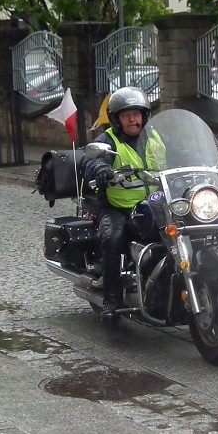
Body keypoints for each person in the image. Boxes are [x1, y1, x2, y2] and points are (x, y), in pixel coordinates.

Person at [82, 86, 151, 323]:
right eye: (126, 115)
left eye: (137, 113)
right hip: (116, 207)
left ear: (144, 115)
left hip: (154, 203)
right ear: (116, 119)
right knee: (113, 238)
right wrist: (100, 168)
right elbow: (90, 161)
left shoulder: (155, 137)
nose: (133, 119)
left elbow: (178, 153)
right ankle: (111, 300)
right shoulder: (107, 140)